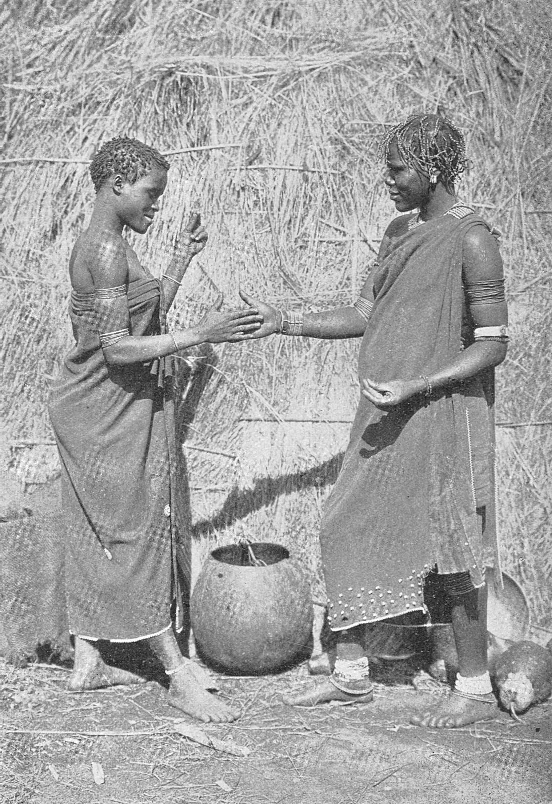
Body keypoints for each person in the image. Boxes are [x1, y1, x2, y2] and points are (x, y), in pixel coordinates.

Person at [240, 113, 509, 728]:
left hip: (445, 415)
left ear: (433, 170)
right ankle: (353, 675)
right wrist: (288, 322)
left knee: (454, 546)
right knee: (345, 523)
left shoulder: (472, 240)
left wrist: (419, 381)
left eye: (399, 169)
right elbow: (366, 312)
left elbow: (493, 344)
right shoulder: (398, 232)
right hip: (387, 410)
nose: (387, 180)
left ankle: (470, 687)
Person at [49, 136, 262, 723]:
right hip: (101, 409)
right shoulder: (106, 249)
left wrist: (181, 259)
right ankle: (174, 673)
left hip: (107, 406)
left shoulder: (116, 244)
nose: (157, 205)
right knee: (133, 531)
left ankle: (89, 662)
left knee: (103, 530)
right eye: (151, 193)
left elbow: (138, 311)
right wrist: (203, 333)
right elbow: (118, 351)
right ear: (117, 184)